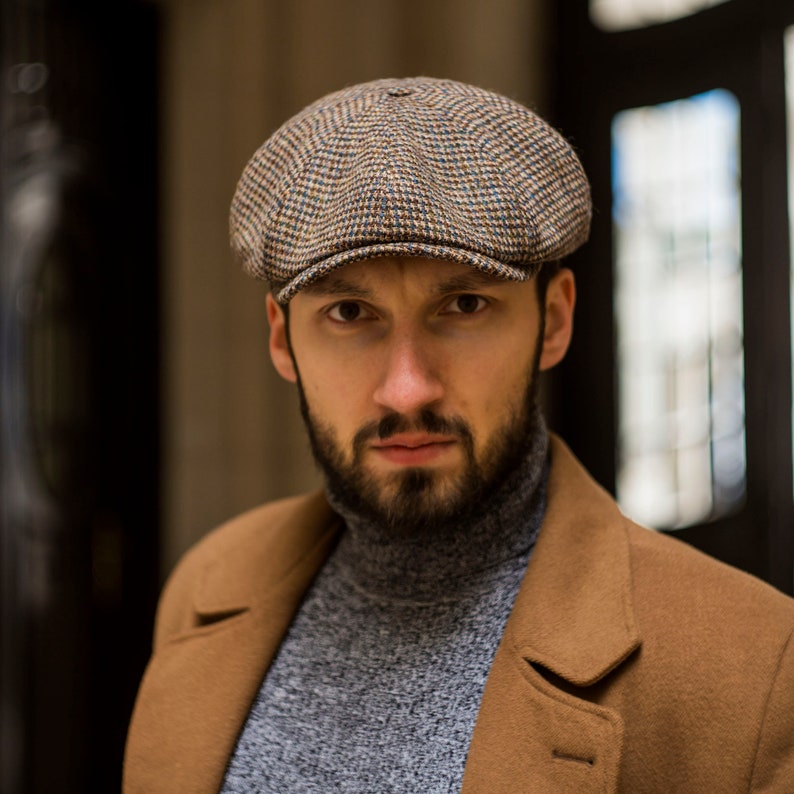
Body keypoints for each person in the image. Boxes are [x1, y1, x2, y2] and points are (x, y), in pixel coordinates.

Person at [123, 77, 794, 793]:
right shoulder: (205, 587)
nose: (407, 388)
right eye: (350, 313)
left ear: (555, 319)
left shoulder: (753, 665)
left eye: (465, 305)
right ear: (281, 340)